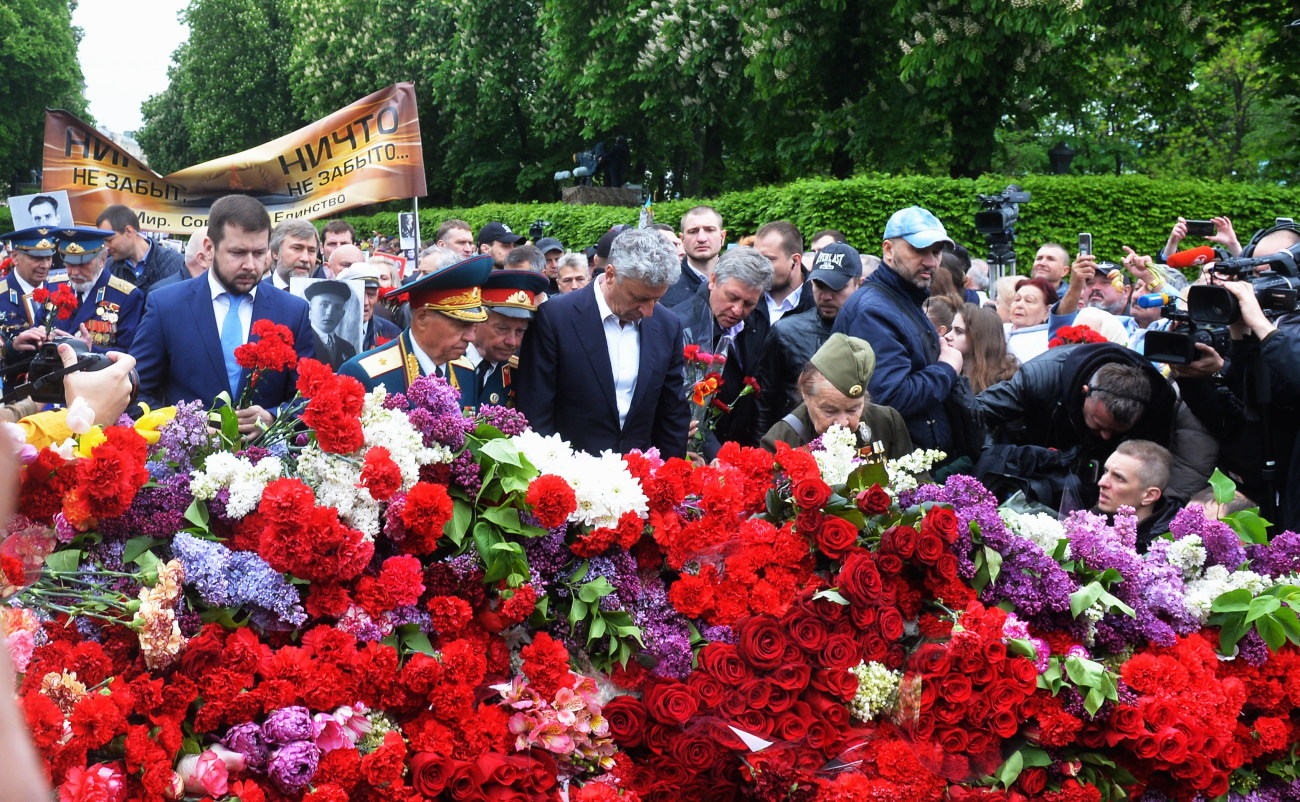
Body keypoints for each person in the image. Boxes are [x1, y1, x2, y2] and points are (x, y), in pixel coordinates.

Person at [131, 195, 314, 437]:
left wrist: (273, 417)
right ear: (209, 248)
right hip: (186, 467)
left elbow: (308, 398)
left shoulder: (293, 311)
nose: (250, 264)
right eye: (238, 253)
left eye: (259, 253)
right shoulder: (166, 305)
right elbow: (136, 393)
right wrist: (184, 431)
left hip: (266, 464)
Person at [975, 342, 1212, 510]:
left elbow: (1150, 471)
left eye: (1117, 431)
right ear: (1085, 393)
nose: (1106, 436)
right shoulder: (1042, 376)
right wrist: (1001, 458)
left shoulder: (1157, 408)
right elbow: (978, 413)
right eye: (1098, 425)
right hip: (1022, 468)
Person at [516, 228, 689, 457]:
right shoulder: (556, 318)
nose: (648, 312)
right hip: (570, 476)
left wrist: (671, 478)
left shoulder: (668, 326)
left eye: (657, 299)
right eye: (639, 298)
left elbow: (672, 414)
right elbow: (536, 412)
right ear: (610, 275)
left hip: (642, 479)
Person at [832, 205, 971, 461]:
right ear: (888, 250)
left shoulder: (903, 298)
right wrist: (947, 369)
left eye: (936, 252)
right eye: (919, 250)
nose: (931, 261)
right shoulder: (873, 311)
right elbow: (889, 398)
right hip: (898, 469)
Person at [338, 254, 492, 402]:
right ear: (422, 318)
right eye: (461, 325)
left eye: (474, 326)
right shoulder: (365, 373)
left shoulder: (465, 370)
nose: (471, 337)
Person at [671, 245, 773, 455]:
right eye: (732, 297)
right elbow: (685, 408)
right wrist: (718, 457)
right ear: (713, 280)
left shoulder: (758, 321)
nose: (738, 310)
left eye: (748, 303)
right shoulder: (681, 326)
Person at [756, 242, 865, 433]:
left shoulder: (875, 331)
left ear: (859, 284)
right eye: (819, 285)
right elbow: (763, 403)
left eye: (836, 287)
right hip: (797, 445)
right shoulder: (785, 332)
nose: (826, 296)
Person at [761, 331, 917, 454]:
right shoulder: (781, 440)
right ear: (805, 391)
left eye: (853, 409)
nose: (843, 423)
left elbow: (916, 484)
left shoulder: (887, 421)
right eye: (829, 411)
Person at [450, 269, 548, 411]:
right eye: (502, 329)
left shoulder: (517, 372)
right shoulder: (445, 360)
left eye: (520, 331)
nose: (512, 342)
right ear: (476, 321)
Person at [56, 227, 144, 353]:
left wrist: (90, 350)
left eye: (83, 264)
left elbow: (131, 353)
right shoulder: (54, 287)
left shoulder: (126, 297)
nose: (74, 272)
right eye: (69, 264)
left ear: (102, 259)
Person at [0, 226, 73, 360]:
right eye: (37, 258)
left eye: (49, 257)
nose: (45, 265)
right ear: (15, 257)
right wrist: (12, 347)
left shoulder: (63, 287)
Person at [1096, 439, 1177, 550]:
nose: (1101, 483)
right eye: (1105, 471)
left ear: (1149, 496)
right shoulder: (1089, 521)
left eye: (1119, 478)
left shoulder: (1168, 550)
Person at [95, 204, 185, 294]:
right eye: (103, 242)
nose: (106, 247)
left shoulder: (178, 264)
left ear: (128, 231)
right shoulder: (107, 268)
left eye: (109, 240)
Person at [944, 303, 1018, 394]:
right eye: (951, 329)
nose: (947, 336)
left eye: (959, 331)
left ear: (980, 339)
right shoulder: (948, 370)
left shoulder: (1003, 384)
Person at [661, 206, 726, 307]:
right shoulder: (663, 289)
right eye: (693, 231)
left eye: (709, 230)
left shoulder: (741, 282)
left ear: (722, 237)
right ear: (682, 239)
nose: (701, 238)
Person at [753, 221, 813, 324]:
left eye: (768, 260)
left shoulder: (818, 304)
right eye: (755, 258)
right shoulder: (746, 301)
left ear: (795, 261)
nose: (759, 266)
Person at [335, 265, 401, 351]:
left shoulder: (391, 332)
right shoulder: (328, 330)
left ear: (377, 295)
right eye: (359, 295)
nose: (366, 302)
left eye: (371, 294)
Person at [305, 280, 358, 369]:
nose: (329, 313)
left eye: (337, 307)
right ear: (310, 309)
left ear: (342, 314)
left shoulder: (348, 348)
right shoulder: (301, 342)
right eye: (324, 305)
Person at [1005, 277, 1059, 364]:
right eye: (1017, 299)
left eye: (1029, 301)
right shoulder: (1001, 328)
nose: (1019, 305)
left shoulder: (1046, 340)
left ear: (1047, 311)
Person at [268, 219, 320, 289]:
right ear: (275, 252)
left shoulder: (325, 296)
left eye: (311, 251)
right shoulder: (255, 293)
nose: (305, 259)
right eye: (297, 248)